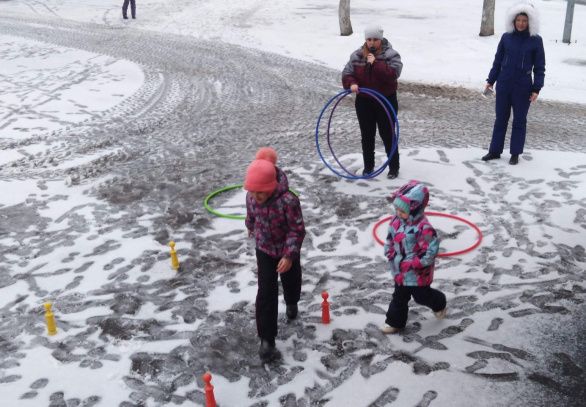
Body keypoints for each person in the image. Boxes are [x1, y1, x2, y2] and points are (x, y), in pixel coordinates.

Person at [244, 156, 305, 362]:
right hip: (264, 249)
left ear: (271, 186)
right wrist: (250, 226)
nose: (255, 195)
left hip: (286, 248)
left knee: (291, 278)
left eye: (260, 191)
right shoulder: (251, 198)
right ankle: (267, 340)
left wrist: (289, 255)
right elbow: (251, 215)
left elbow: (297, 230)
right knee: (266, 291)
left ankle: (291, 301)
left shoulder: (288, 201)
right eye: (252, 191)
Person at [482, 2, 545, 165]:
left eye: (524, 20)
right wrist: (491, 80)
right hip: (504, 83)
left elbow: (539, 67)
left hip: (523, 86)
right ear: (513, 21)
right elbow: (497, 61)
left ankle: (515, 153)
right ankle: (494, 151)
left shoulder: (536, 41)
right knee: (500, 118)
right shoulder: (506, 38)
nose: (521, 23)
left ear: (530, 22)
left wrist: (536, 88)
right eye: (518, 20)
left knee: (519, 120)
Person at [381, 180, 447, 334]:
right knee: (399, 297)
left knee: (422, 297)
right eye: (396, 208)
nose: (398, 213)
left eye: (402, 211)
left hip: (417, 274)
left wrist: (415, 263)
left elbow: (431, 250)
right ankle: (394, 322)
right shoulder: (396, 221)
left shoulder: (423, 228)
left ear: (415, 210)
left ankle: (439, 302)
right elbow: (390, 238)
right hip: (400, 271)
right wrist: (389, 250)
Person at [342, 25, 403, 179]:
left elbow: (392, 75)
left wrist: (376, 63)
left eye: (375, 39)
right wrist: (351, 83)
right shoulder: (357, 55)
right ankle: (368, 167)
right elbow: (347, 72)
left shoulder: (391, 55)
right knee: (367, 135)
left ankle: (393, 168)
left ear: (380, 40)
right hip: (364, 101)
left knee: (387, 134)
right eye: (369, 39)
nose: (371, 42)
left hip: (385, 100)